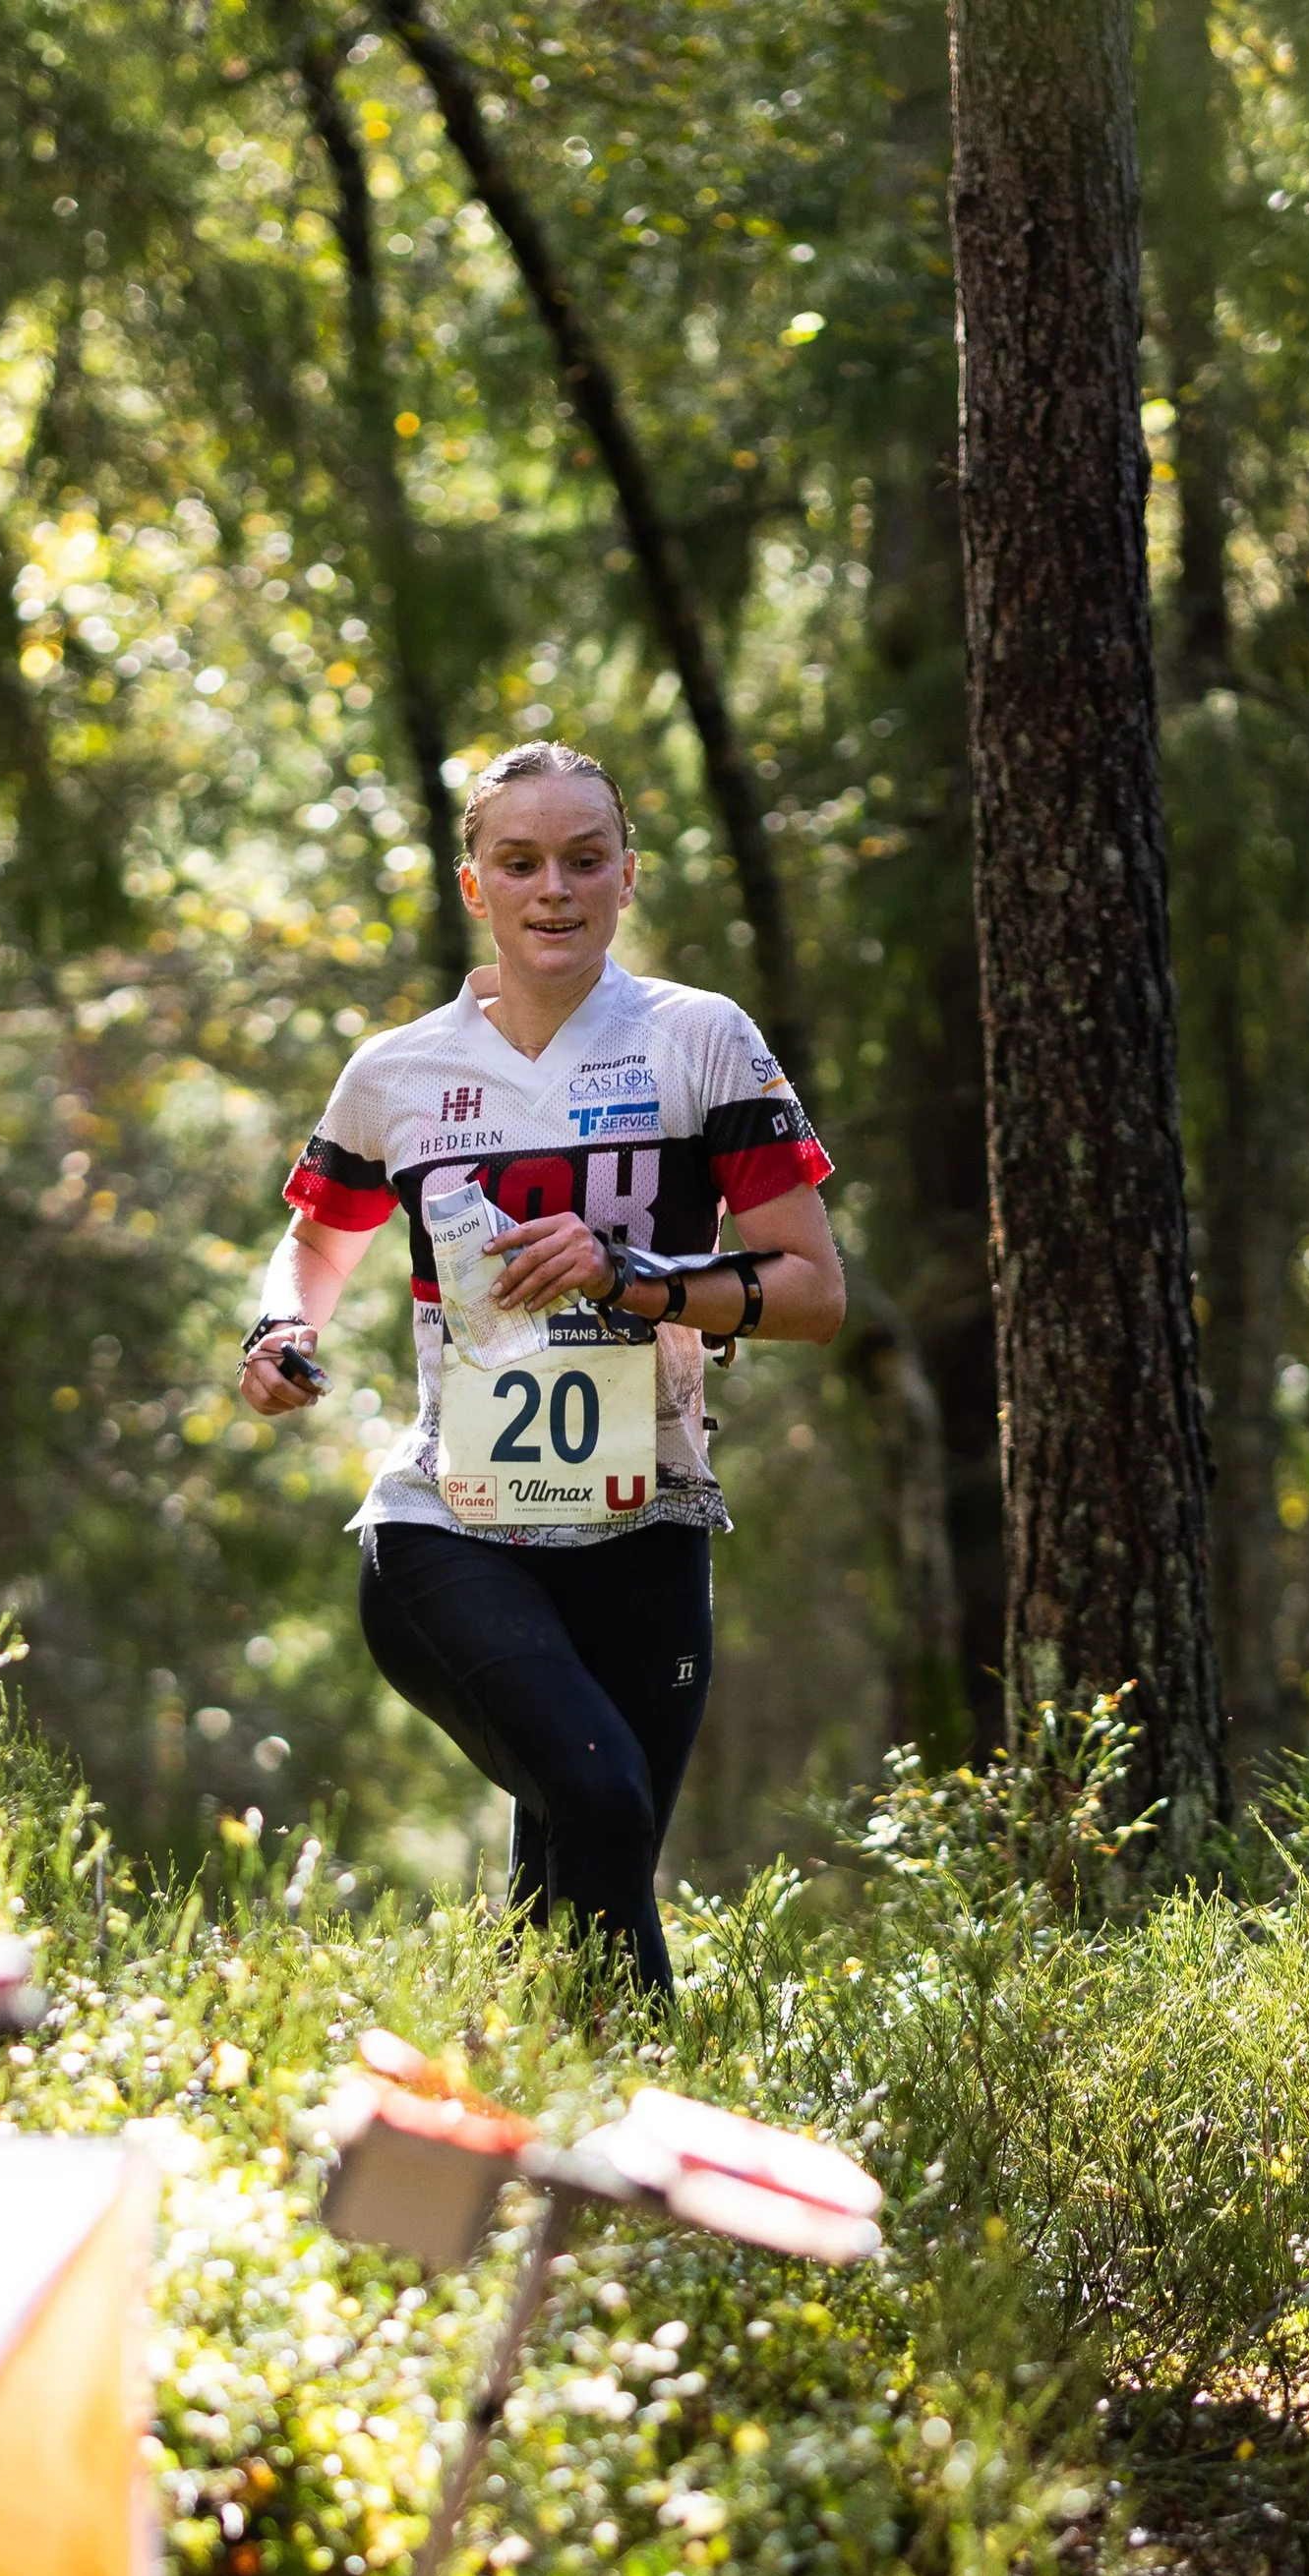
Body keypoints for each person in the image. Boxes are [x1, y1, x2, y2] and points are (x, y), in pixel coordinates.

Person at [239, 739, 844, 1992]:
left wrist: (626, 1274)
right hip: (450, 1524)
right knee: (603, 1801)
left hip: (646, 1516)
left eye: (582, 860)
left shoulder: (700, 1040)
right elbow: (312, 1248)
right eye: (519, 862)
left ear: (627, 875)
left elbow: (812, 1292)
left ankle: (523, 2127)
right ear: (476, 885)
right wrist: (277, 1335)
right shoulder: (398, 1071)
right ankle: (635, 2142)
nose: (552, 890)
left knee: (577, 1874)